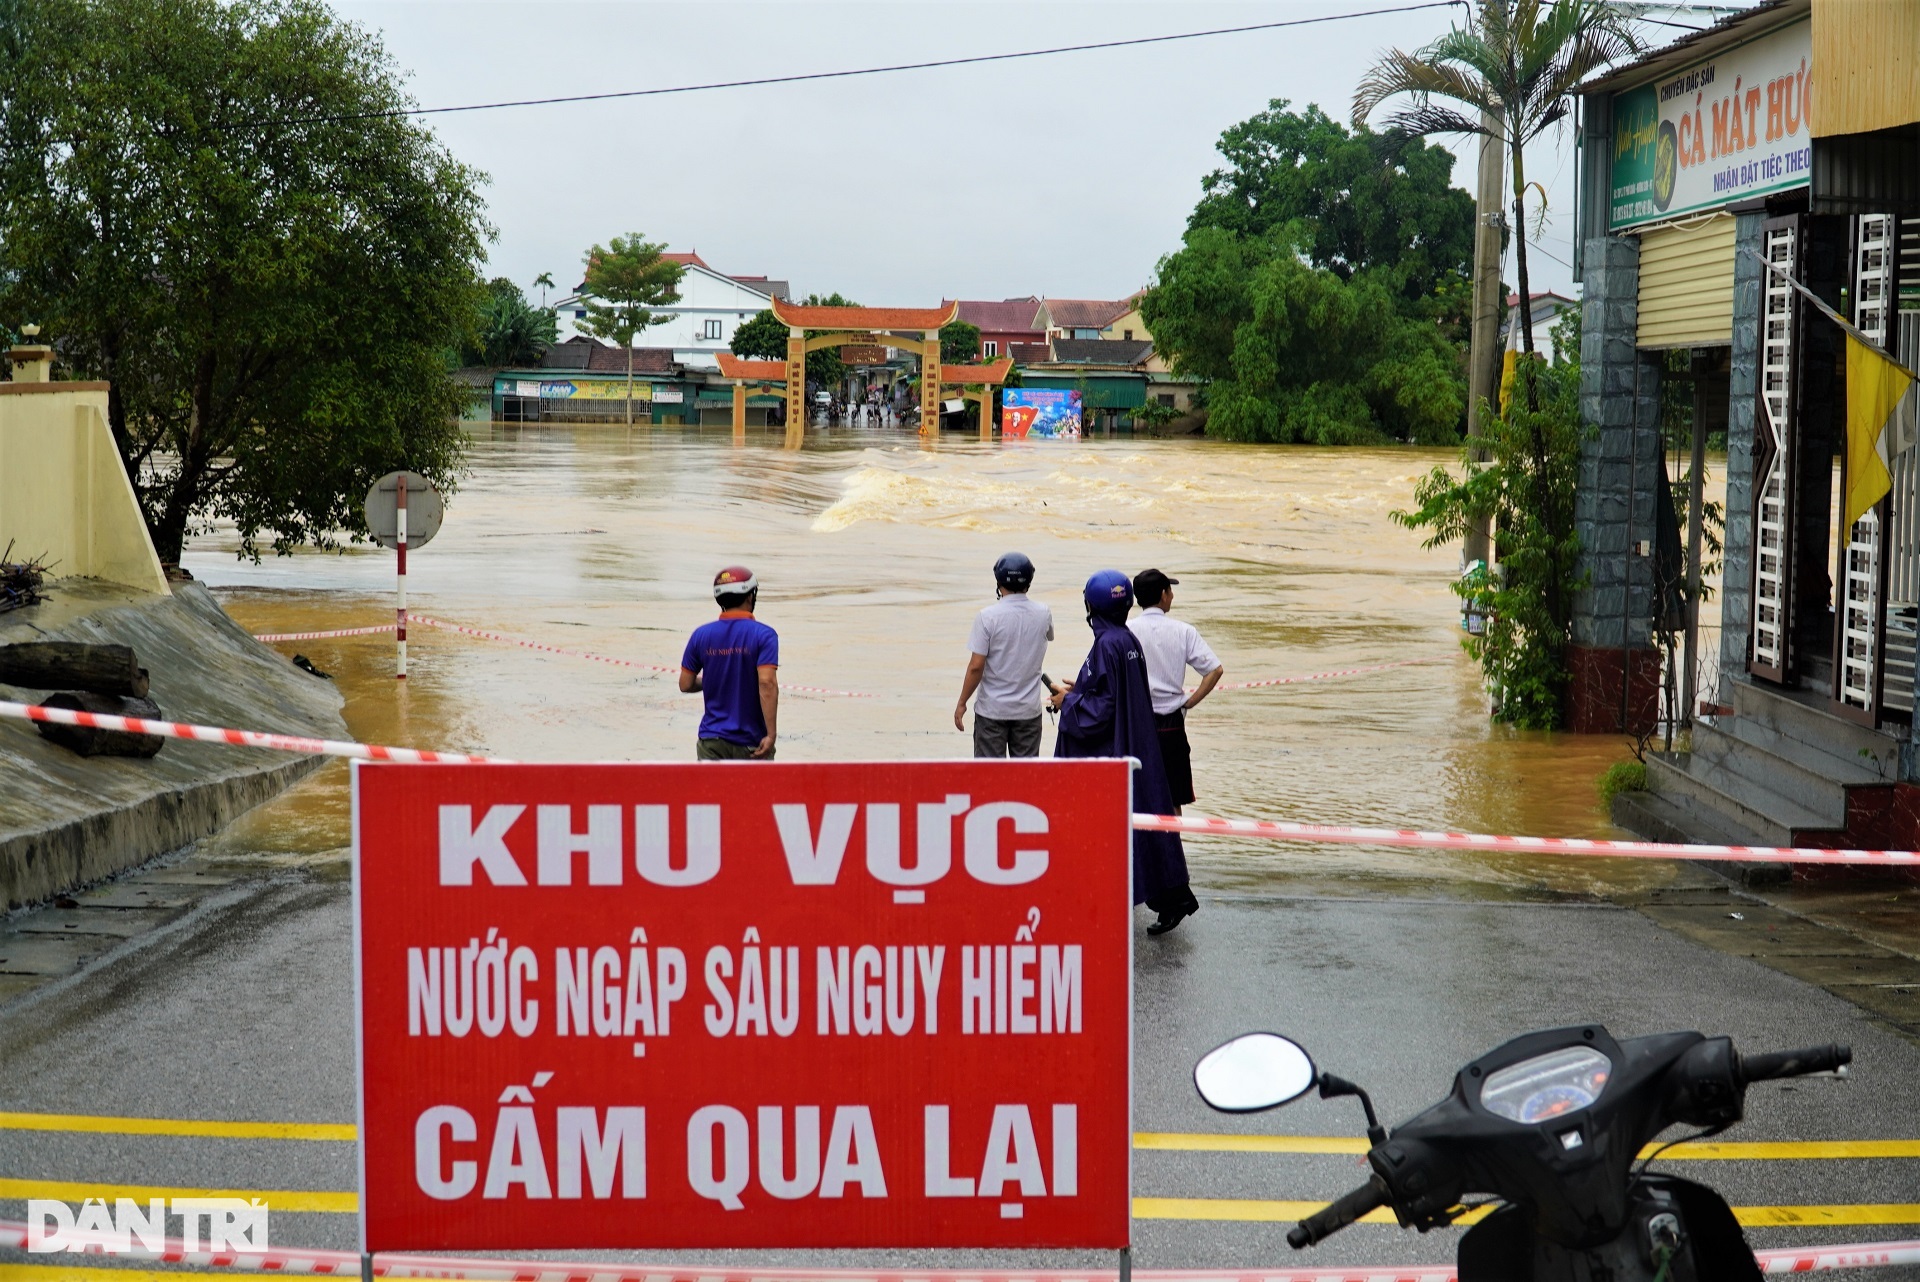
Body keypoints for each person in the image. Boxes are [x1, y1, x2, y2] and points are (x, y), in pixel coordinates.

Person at [1050, 570, 1198, 935]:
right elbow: (1108, 692)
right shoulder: (1126, 639)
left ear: (1091, 606)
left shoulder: (1106, 644)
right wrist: (1079, 691)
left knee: (1113, 822)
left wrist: (1066, 703)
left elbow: (1100, 710)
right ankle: (1169, 897)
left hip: (1116, 749)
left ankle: (1121, 897)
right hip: (1139, 741)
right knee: (1145, 815)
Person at [1129, 568, 1223, 810]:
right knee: (1173, 797)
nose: (1172, 596)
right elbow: (1214, 670)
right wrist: (1190, 701)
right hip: (1172, 723)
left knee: (1136, 793)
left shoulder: (1125, 631)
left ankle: (1139, 847)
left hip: (1137, 721)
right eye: (1170, 591)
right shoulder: (1183, 631)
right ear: (1163, 594)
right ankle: (1173, 846)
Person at [954, 552, 1054, 757]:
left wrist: (962, 702)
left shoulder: (987, 617)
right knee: (1026, 778)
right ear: (1029, 581)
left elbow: (976, 666)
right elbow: (1048, 637)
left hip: (992, 711)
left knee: (989, 779)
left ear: (998, 581)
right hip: (1028, 711)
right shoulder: (1043, 613)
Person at [679, 565, 779, 760]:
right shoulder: (764, 635)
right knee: (754, 791)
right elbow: (767, 683)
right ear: (751, 596)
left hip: (711, 741)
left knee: (712, 792)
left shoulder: (701, 635)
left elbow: (685, 684)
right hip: (752, 742)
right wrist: (771, 734)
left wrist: (712, 680)